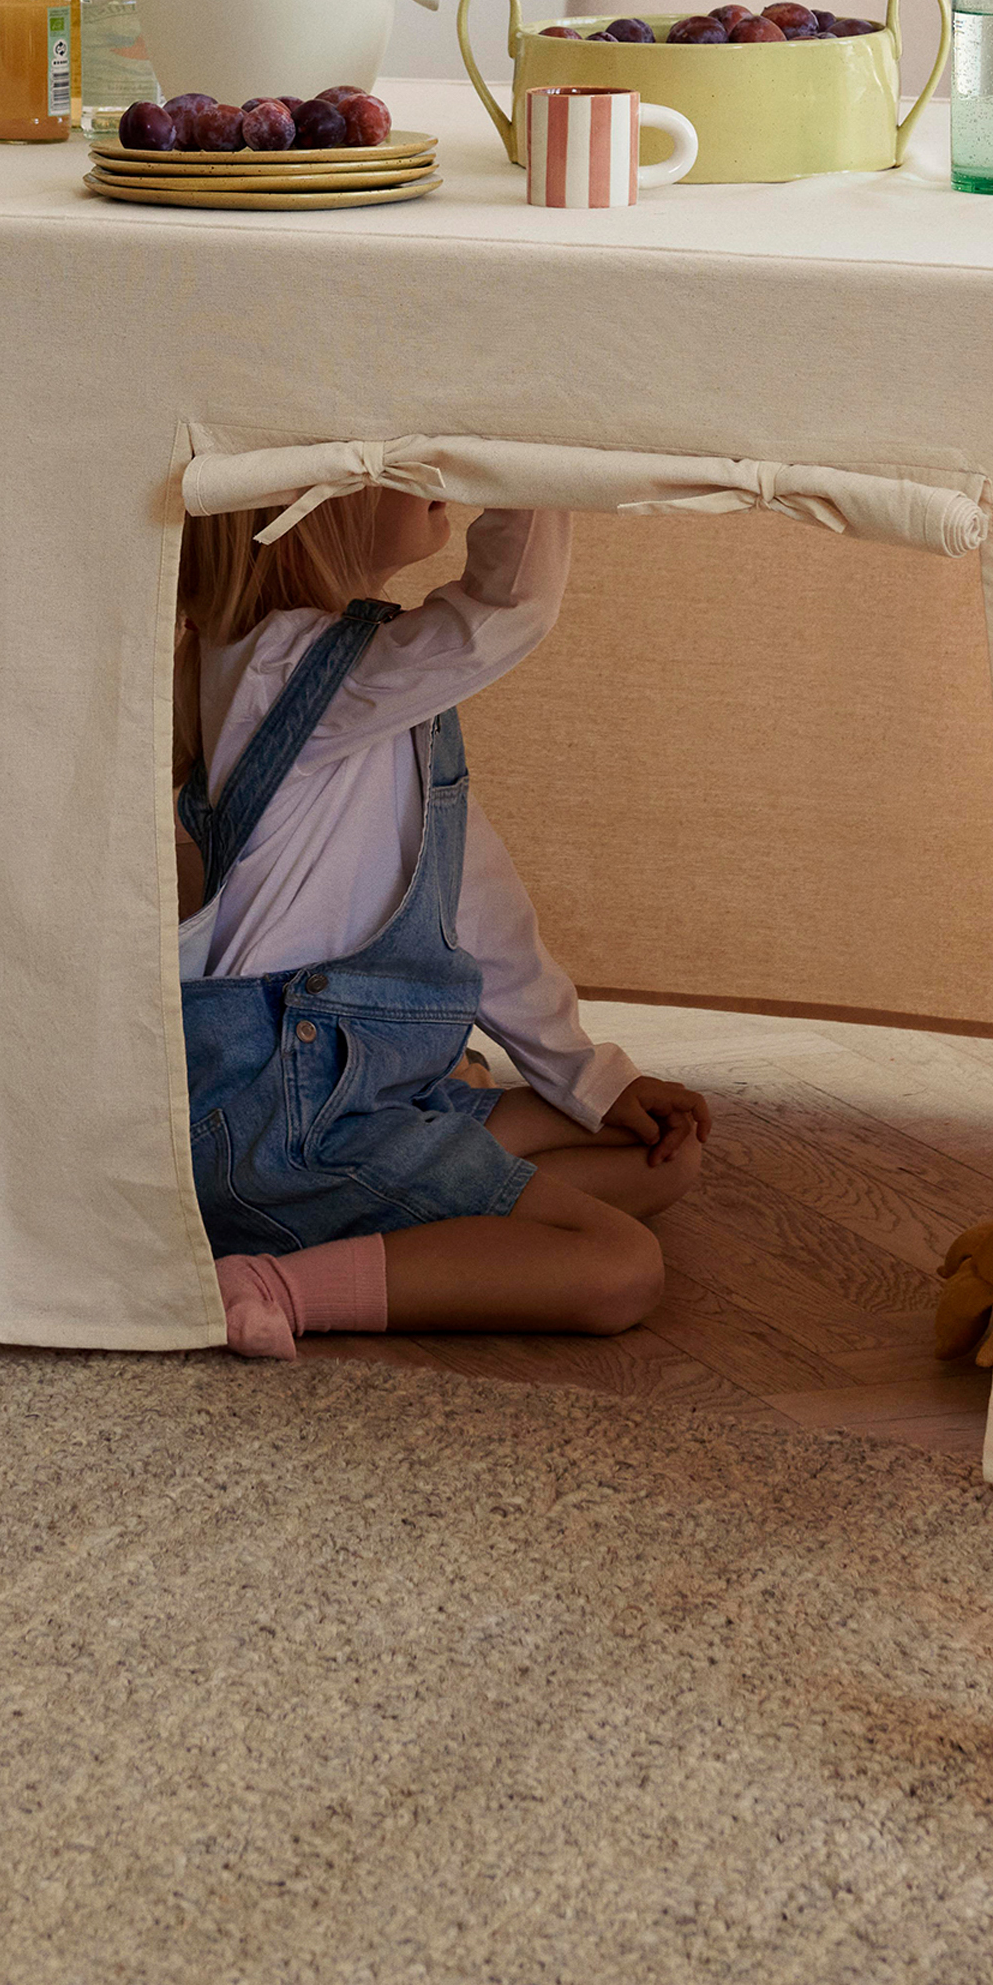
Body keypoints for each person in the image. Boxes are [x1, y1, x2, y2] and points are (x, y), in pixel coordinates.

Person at [175, 485, 712, 1361]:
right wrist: (522, 453)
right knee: (619, 1268)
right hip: (282, 1125)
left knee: (651, 1149)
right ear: (303, 511)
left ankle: (396, 1229)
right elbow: (508, 608)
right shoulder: (281, 667)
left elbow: (474, 907)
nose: (439, 470)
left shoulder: (361, 682)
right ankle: (269, 1283)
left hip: (358, 1093)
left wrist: (592, 1074)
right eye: (400, 458)